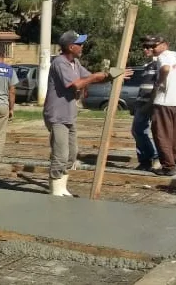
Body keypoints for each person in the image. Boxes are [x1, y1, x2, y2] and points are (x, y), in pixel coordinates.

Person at [44, 31, 127, 197]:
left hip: (69, 114)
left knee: (72, 153)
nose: (82, 47)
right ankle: (55, 191)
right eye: (79, 44)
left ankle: (62, 188)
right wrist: (95, 77)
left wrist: (110, 75)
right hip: (57, 115)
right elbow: (76, 85)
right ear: (70, 47)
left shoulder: (75, 63)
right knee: (60, 154)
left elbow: (90, 77)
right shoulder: (60, 63)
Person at [149, 35, 176, 176]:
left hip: (164, 102)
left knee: (161, 134)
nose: (152, 48)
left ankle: (169, 167)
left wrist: (159, 82)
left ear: (165, 45)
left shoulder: (163, 57)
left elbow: (166, 69)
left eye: (155, 45)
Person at [132, 36, 161, 171]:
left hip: (150, 103)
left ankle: (154, 157)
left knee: (142, 130)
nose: (146, 49)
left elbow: (158, 85)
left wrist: (150, 103)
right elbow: (144, 87)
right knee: (138, 130)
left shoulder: (158, 63)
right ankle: (145, 160)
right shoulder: (147, 65)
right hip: (141, 102)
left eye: (150, 46)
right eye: (144, 47)